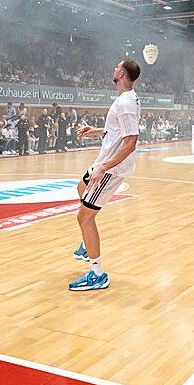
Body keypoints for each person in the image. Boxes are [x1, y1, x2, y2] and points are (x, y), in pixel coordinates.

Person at [69, 59, 143, 292]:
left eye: (115, 67)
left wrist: (104, 168)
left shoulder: (127, 103)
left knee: (84, 218)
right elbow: (119, 132)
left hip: (111, 168)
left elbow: (130, 142)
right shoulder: (125, 100)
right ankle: (86, 243)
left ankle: (97, 274)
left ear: (121, 74)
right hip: (104, 163)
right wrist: (97, 131)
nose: (113, 70)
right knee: (81, 188)